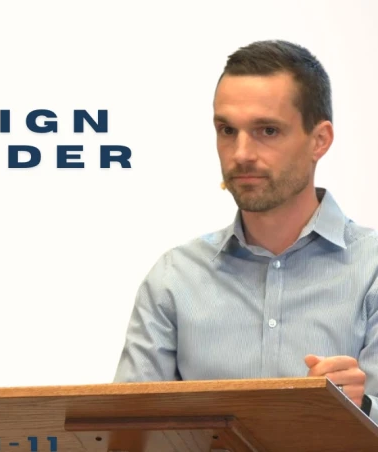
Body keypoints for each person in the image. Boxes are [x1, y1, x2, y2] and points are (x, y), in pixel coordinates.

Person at [112, 39, 378, 423]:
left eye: (267, 130)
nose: (240, 154)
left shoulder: (372, 270)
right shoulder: (175, 278)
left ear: (319, 140)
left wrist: (362, 407)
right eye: (227, 130)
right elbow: (126, 429)